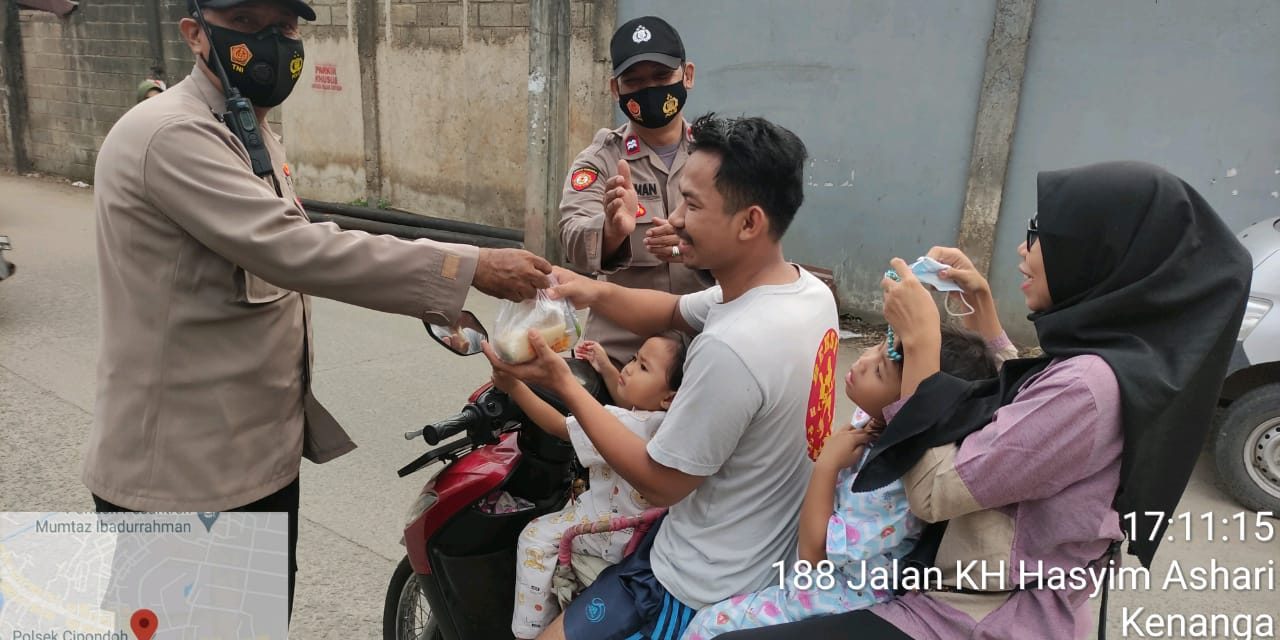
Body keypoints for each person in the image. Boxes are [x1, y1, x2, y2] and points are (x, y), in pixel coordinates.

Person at [83, 0, 551, 615]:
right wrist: (469, 269)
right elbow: (295, 249)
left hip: (246, 459)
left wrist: (439, 295)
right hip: (184, 478)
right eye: (247, 24)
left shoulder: (242, 124)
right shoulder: (177, 133)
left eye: (284, 28)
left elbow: (296, 235)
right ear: (196, 35)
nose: (273, 43)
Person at [716, 161, 1252, 639]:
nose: (1024, 248)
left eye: (1040, 235)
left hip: (978, 613)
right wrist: (985, 315)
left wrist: (923, 349)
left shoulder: (1090, 386)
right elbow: (1027, 410)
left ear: (1100, 254)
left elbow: (932, 492)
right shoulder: (1116, 360)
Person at [487, 113, 840, 640]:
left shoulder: (732, 348)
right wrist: (588, 288)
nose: (672, 218)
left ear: (750, 222)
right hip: (764, 552)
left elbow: (659, 482)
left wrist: (562, 384)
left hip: (696, 580)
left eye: (693, 204)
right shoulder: (806, 293)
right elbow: (674, 310)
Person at [684, 325, 999, 638]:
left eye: (878, 371)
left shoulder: (891, 487)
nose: (862, 360)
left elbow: (814, 556)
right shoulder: (874, 421)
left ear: (910, 407)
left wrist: (827, 466)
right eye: (876, 347)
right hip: (813, 575)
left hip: (837, 597)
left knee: (707, 626)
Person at [503, 334, 689, 639]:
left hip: (603, 530)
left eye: (642, 367)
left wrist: (514, 387)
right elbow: (629, 398)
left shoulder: (622, 423)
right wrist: (604, 365)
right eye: (633, 359)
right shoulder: (667, 426)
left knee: (534, 536)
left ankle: (529, 630)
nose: (628, 369)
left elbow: (559, 426)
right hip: (641, 534)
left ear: (668, 397)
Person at [559, 16, 708, 364]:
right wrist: (610, 232)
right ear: (616, 89)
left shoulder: (717, 155)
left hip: (704, 346)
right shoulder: (600, 161)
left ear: (687, 75)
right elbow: (572, 237)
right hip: (620, 356)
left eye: (661, 77)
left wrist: (693, 244)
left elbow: (748, 242)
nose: (650, 90)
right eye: (635, 81)